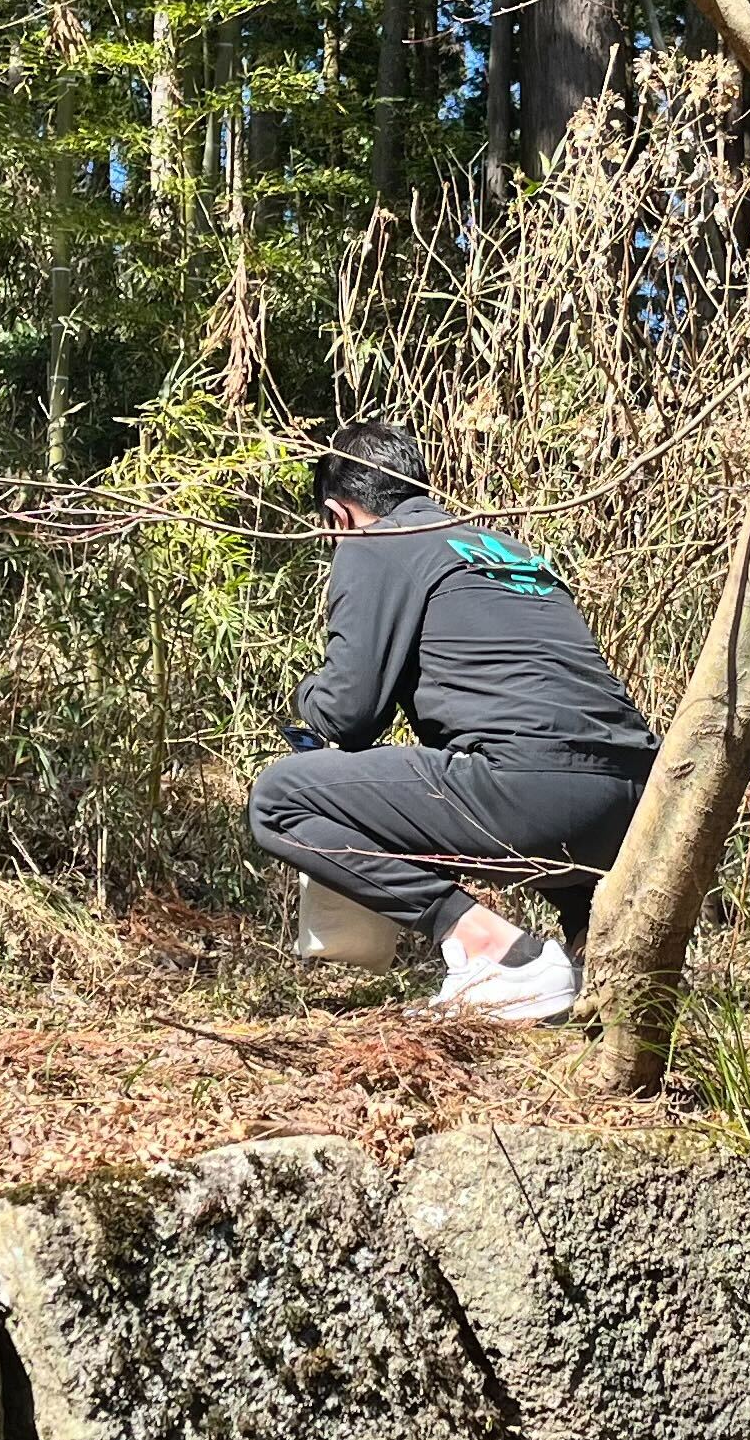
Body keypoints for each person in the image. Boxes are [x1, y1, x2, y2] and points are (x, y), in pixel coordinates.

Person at [246, 420, 655, 1025]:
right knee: (506, 765)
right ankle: (591, 967)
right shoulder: (505, 549)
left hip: (532, 791)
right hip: (639, 796)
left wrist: (305, 698)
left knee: (279, 800)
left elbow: (348, 713)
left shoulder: (374, 543)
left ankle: (492, 951)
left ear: (338, 514)